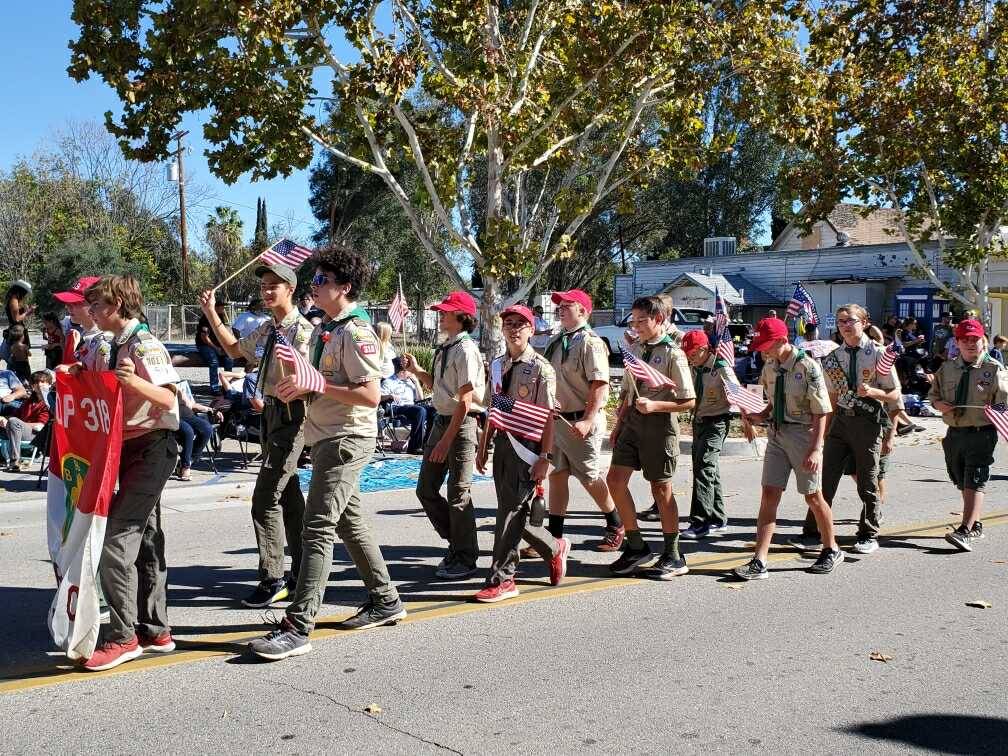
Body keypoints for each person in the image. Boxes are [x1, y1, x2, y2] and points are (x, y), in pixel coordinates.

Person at [249, 244, 406, 661]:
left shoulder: (356, 332)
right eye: (314, 280)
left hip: (346, 438)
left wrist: (315, 385)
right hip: (326, 437)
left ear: (345, 288)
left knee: (316, 528)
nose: (313, 287)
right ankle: (386, 600)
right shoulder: (329, 329)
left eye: (322, 281)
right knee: (350, 525)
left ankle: (299, 625)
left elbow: (371, 395)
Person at [81, 275, 181, 671]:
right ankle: (155, 629)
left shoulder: (144, 345)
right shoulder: (113, 343)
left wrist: (135, 380)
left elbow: (171, 399)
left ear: (119, 305)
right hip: (126, 446)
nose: (91, 311)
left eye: (98, 304)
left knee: (117, 540)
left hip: (152, 447)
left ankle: (122, 637)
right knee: (149, 538)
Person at [199, 262, 314, 608]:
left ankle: (273, 576)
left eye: (273, 286)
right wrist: (211, 314)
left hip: (292, 416)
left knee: (264, 499)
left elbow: (310, 381)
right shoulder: (267, 329)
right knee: (290, 498)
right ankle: (300, 573)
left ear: (290, 289)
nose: (265, 291)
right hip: (270, 416)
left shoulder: (303, 332)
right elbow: (235, 350)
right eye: (263, 286)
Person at [732, 317, 843, 580]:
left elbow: (821, 412)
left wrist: (816, 449)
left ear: (782, 340)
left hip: (804, 435)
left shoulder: (807, 366)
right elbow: (771, 401)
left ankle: (831, 548)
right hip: (777, 434)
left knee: (812, 495)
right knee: (769, 493)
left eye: (766, 344)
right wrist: (759, 415)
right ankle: (759, 560)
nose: (762, 350)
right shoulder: (770, 367)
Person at [472, 304, 570, 602]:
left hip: (528, 447)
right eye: (509, 323)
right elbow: (494, 408)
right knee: (510, 511)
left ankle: (503, 578)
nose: (514, 329)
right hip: (504, 443)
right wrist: (484, 445)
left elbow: (548, 417)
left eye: (520, 324)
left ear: (531, 329)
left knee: (510, 513)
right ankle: (554, 547)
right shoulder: (498, 364)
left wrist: (545, 457)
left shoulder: (541, 368)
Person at [794, 305, 900, 555]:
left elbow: (894, 394)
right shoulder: (833, 357)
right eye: (841, 322)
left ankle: (868, 532)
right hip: (841, 421)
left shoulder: (878, 354)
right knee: (824, 478)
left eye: (850, 320)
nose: (845, 325)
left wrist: (873, 392)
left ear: (864, 322)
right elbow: (830, 397)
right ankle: (814, 530)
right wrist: (822, 434)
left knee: (867, 479)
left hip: (867, 421)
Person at [606, 296, 695, 579]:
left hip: (658, 425)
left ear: (659, 320)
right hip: (632, 422)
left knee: (661, 490)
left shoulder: (673, 354)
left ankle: (674, 555)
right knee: (615, 481)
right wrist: (619, 423)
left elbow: (689, 400)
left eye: (642, 320)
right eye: (633, 320)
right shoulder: (636, 348)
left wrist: (656, 405)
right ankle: (636, 546)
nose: (636, 325)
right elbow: (628, 391)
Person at [402, 291, 486, 580]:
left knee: (458, 493)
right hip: (442, 422)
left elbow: (465, 401)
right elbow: (440, 387)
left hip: (461, 426)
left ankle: (465, 557)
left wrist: (446, 440)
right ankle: (459, 543)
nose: (441, 314)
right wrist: (417, 371)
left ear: (462, 317)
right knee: (426, 489)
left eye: (446, 311)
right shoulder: (446, 347)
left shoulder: (465, 350)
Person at [542, 289, 623, 551]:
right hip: (558, 420)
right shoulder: (558, 340)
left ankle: (616, 523)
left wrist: (588, 419)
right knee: (557, 475)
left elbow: (600, 383)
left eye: (568, 305)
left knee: (589, 476)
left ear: (584, 311)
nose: (561, 309)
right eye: (560, 305)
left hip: (580, 421)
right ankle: (554, 536)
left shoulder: (590, 342)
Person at [929, 318, 1008, 552]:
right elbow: (933, 396)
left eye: (975, 339)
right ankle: (975, 524)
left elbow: (1004, 404)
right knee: (960, 477)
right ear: (958, 342)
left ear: (983, 340)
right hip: (954, 433)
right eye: (965, 340)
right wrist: (939, 404)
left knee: (975, 478)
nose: (971, 344)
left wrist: (996, 410)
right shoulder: (948, 368)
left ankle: (964, 530)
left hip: (981, 433)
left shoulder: (993, 369)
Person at [680, 330, 750, 539]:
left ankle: (699, 522)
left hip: (717, 422)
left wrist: (747, 420)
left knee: (704, 469)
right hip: (699, 422)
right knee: (709, 469)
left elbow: (737, 393)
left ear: (703, 349)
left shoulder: (720, 368)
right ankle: (718, 518)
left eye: (692, 353)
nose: (689, 357)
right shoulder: (695, 368)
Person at [53, 276, 109, 370]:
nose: (67, 307)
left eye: (75, 303)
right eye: (68, 303)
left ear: (95, 305)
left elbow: (106, 381)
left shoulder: (105, 341)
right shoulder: (85, 335)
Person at [381, 358, 434, 454]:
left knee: (433, 410)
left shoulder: (410, 382)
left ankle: (427, 444)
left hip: (412, 407)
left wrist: (416, 382)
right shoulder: (388, 382)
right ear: (402, 372)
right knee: (420, 411)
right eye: (409, 371)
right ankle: (414, 447)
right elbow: (379, 397)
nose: (411, 373)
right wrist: (389, 396)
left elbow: (420, 398)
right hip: (397, 408)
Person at [0, 370, 50, 470]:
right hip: (19, 429)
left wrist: (16, 423)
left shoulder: (49, 402)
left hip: (37, 434)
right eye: (36, 382)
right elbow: (15, 415)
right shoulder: (29, 401)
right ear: (32, 386)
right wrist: (4, 420)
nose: (39, 385)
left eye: (42, 382)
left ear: (49, 384)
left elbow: (41, 425)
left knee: (14, 422)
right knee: (9, 421)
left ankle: (15, 461)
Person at [175, 386, 221, 481]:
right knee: (188, 432)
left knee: (207, 428)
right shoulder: (161, 384)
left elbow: (191, 405)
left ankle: (189, 460)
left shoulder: (179, 385)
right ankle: (185, 467)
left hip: (188, 415)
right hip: (171, 416)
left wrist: (210, 409)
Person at [195, 302, 235, 395]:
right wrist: (216, 348)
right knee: (214, 362)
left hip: (218, 344)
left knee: (229, 359)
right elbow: (204, 338)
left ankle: (227, 386)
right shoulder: (206, 318)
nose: (223, 308)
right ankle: (214, 388)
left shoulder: (220, 317)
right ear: (215, 308)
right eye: (221, 306)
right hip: (204, 345)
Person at [4, 280, 34, 344]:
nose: (25, 295)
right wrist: (27, 312)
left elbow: (20, 317)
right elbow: (16, 319)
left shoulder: (15, 299)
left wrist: (28, 312)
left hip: (18, 329)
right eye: (25, 292)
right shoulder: (13, 300)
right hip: (16, 331)